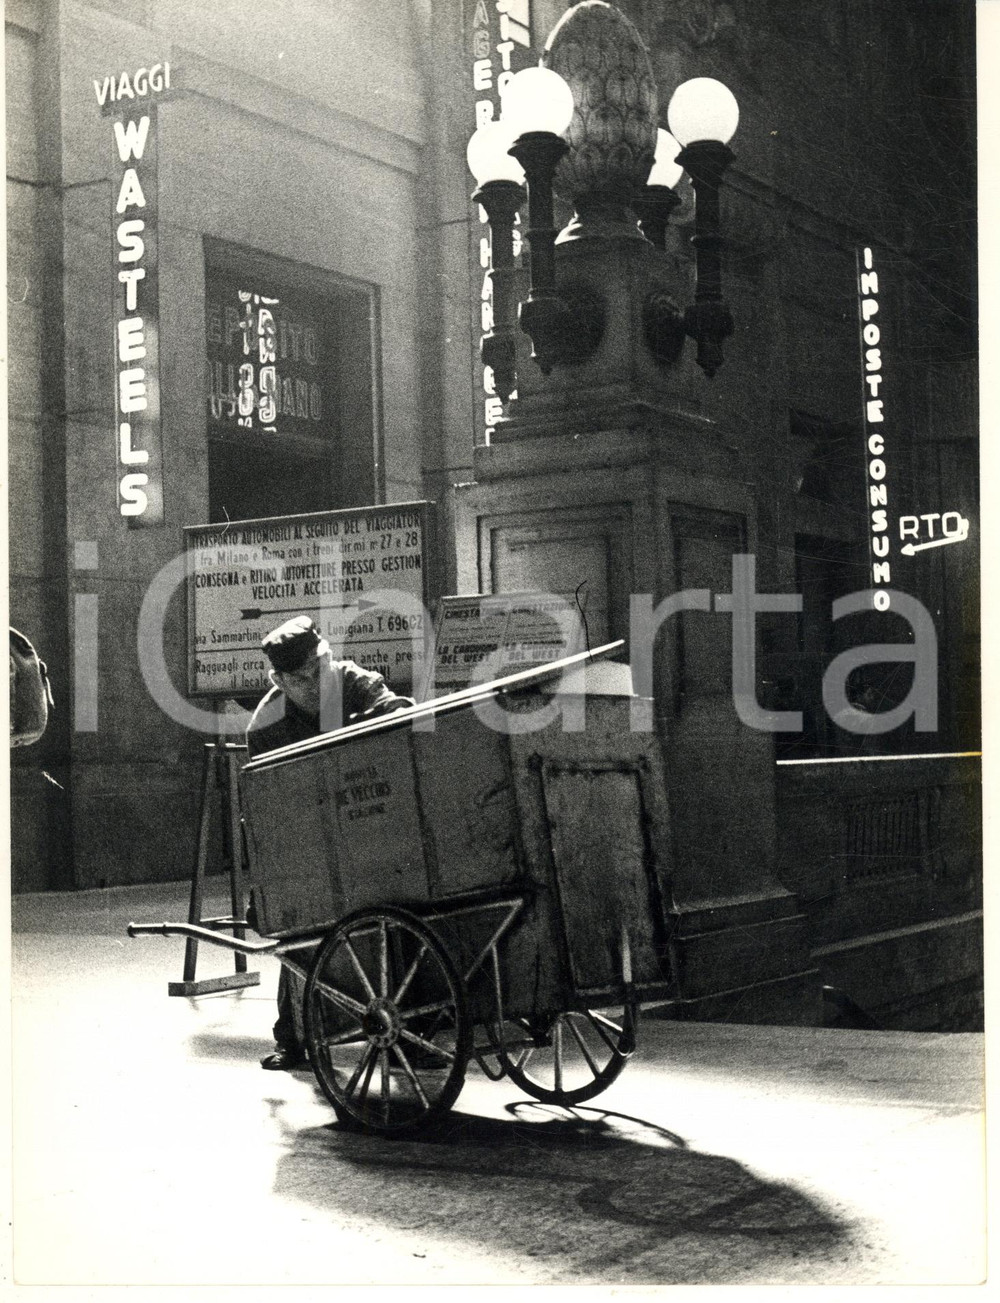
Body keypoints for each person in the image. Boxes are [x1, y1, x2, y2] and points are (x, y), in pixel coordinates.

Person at [245, 615, 414, 1070]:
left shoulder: (355, 682)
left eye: (321, 668)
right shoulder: (266, 727)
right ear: (279, 681)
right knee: (296, 923)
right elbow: (271, 809)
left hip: (375, 820)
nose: (317, 683)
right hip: (309, 835)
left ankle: (415, 1032)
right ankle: (293, 1038)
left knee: (406, 910)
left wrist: (374, 718)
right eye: (301, 679)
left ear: (329, 656)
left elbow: (400, 713)